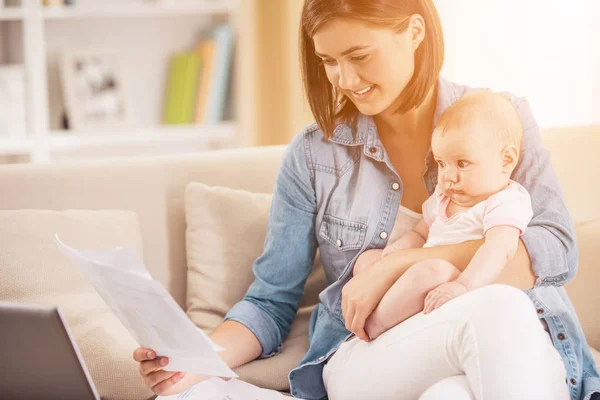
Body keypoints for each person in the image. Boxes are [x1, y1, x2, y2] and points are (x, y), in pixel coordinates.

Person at [133, 1, 600, 399]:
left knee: (453, 390)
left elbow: (553, 248)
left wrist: (401, 263)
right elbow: (271, 301)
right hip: (373, 355)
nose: (344, 79)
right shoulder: (314, 156)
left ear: (414, 30)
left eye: (358, 55)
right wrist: (193, 361)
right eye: (329, 61)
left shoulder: (500, 121)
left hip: (506, 342)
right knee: (497, 308)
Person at [354, 90, 535, 341]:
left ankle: (376, 326)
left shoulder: (506, 201)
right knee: (368, 260)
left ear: (506, 160)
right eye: (442, 163)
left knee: (432, 271)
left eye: (462, 163)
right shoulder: (444, 196)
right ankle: (387, 310)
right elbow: (421, 231)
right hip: (419, 275)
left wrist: (464, 285)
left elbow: (500, 249)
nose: (448, 176)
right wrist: (398, 249)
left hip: (457, 281)